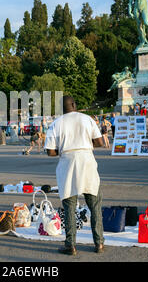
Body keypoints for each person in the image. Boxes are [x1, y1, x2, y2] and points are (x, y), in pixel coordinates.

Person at [45, 96, 105, 255]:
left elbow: (50, 152)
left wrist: (65, 148)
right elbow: (99, 143)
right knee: (94, 204)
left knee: (70, 207)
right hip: (87, 161)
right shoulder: (87, 119)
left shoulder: (56, 124)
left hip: (67, 163)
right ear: (74, 104)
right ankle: (99, 243)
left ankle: (70, 245)